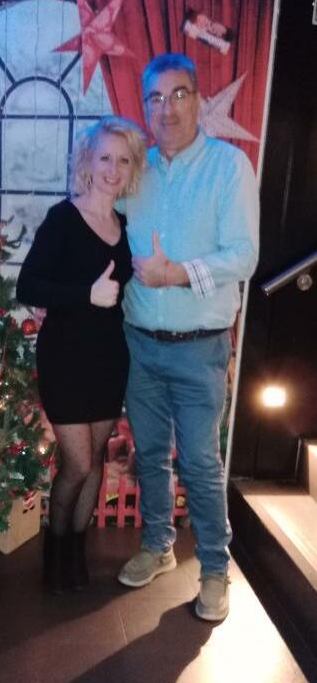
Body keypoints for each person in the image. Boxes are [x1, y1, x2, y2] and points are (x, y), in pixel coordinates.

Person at [116, 54, 259, 621]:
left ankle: (216, 570)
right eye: (155, 98)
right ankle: (158, 545)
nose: (167, 109)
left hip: (201, 346)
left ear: (198, 100)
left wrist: (176, 273)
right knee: (150, 453)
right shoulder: (135, 169)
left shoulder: (229, 166)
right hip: (139, 342)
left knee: (199, 462)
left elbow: (243, 256)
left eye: (178, 95)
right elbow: (100, 229)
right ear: (145, 106)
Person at [16, 116, 146, 592]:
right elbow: (28, 285)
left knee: (97, 462)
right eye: (105, 157)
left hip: (109, 359)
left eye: (123, 160)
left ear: (132, 170)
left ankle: (76, 552)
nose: (113, 168)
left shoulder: (127, 226)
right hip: (65, 359)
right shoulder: (63, 219)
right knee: (78, 464)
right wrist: (84, 295)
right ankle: (56, 552)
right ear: (87, 162)